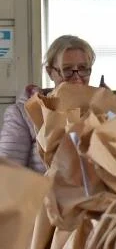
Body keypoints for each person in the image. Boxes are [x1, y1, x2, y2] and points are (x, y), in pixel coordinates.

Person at [0, 35, 95, 173]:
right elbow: (7, 174)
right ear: (50, 72)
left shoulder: (102, 109)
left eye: (83, 68)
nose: (77, 77)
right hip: (41, 194)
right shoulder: (23, 114)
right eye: (67, 69)